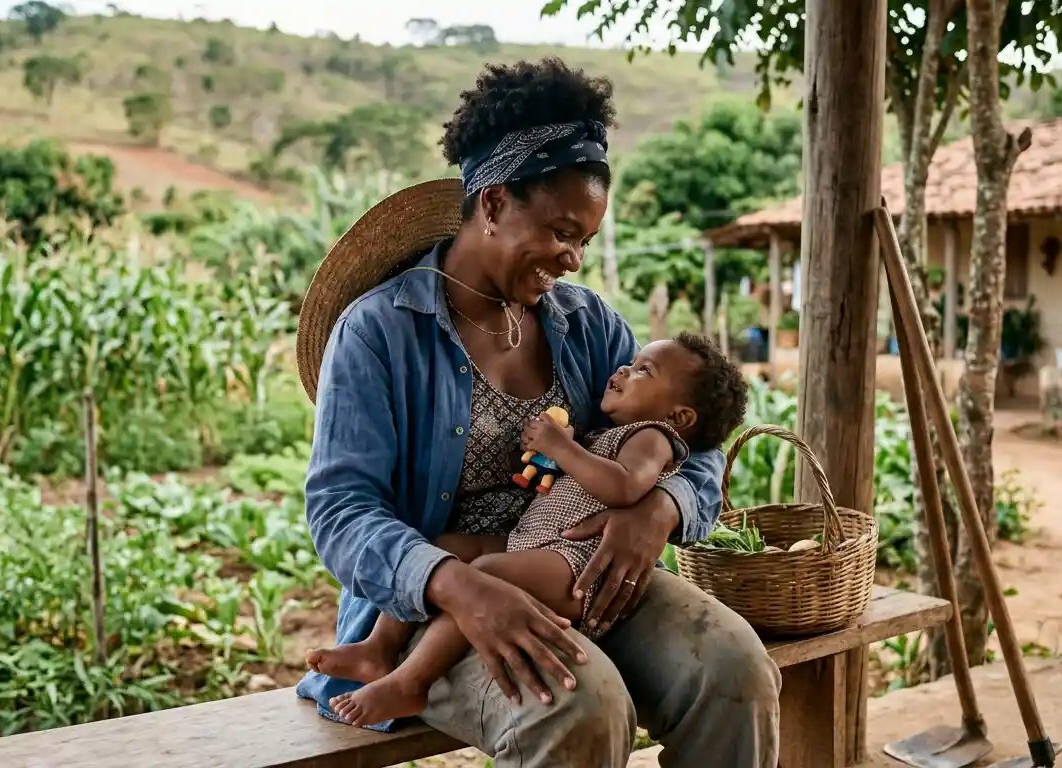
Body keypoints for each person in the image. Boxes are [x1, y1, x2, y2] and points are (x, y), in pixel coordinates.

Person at [295, 57, 781, 767]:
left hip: (582, 576)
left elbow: (697, 440)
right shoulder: (378, 333)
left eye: (584, 238)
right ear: (492, 205)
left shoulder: (587, 327)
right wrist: (458, 587)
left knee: (736, 671)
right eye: (561, 231)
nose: (575, 258)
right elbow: (341, 509)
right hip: (430, 618)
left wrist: (661, 509)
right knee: (581, 706)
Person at [314, 334, 750, 727]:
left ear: (679, 415)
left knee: (486, 575)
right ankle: (379, 646)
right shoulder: (375, 330)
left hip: (573, 562)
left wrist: (572, 453)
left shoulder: (653, 436)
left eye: (641, 370)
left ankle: (412, 681)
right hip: (535, 540)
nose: (622, 368)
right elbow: (340, 504)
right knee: (444, 550)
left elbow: (623, 485)